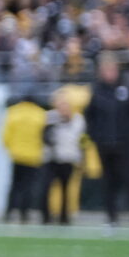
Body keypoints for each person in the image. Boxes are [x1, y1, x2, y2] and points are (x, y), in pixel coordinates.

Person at [87, 56, 129, 227]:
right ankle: (111, 218)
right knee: (108, 182)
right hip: (104, 144)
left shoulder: (126, 88)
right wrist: (94, 135)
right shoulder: (97, 91)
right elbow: (90, 116)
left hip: (125, 144)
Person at [4, 91, 49, 223]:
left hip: (16, 154)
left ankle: (9, 212)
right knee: (28, 187)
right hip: (33, 155)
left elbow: (6, 135)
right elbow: (43, 137)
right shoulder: (40, 114)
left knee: (14, 186)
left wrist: (10, 148)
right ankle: (24, 213)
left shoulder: (13, 112)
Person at [46, 96, 87, 225]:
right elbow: (45, 137)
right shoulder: (51, 118)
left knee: (66, 189)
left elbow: (82, 140)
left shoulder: (78, 120)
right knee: (46, 188)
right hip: (52, 158)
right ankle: (46, 216)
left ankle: (64, 216)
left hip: (69, 157)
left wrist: (82, 157)